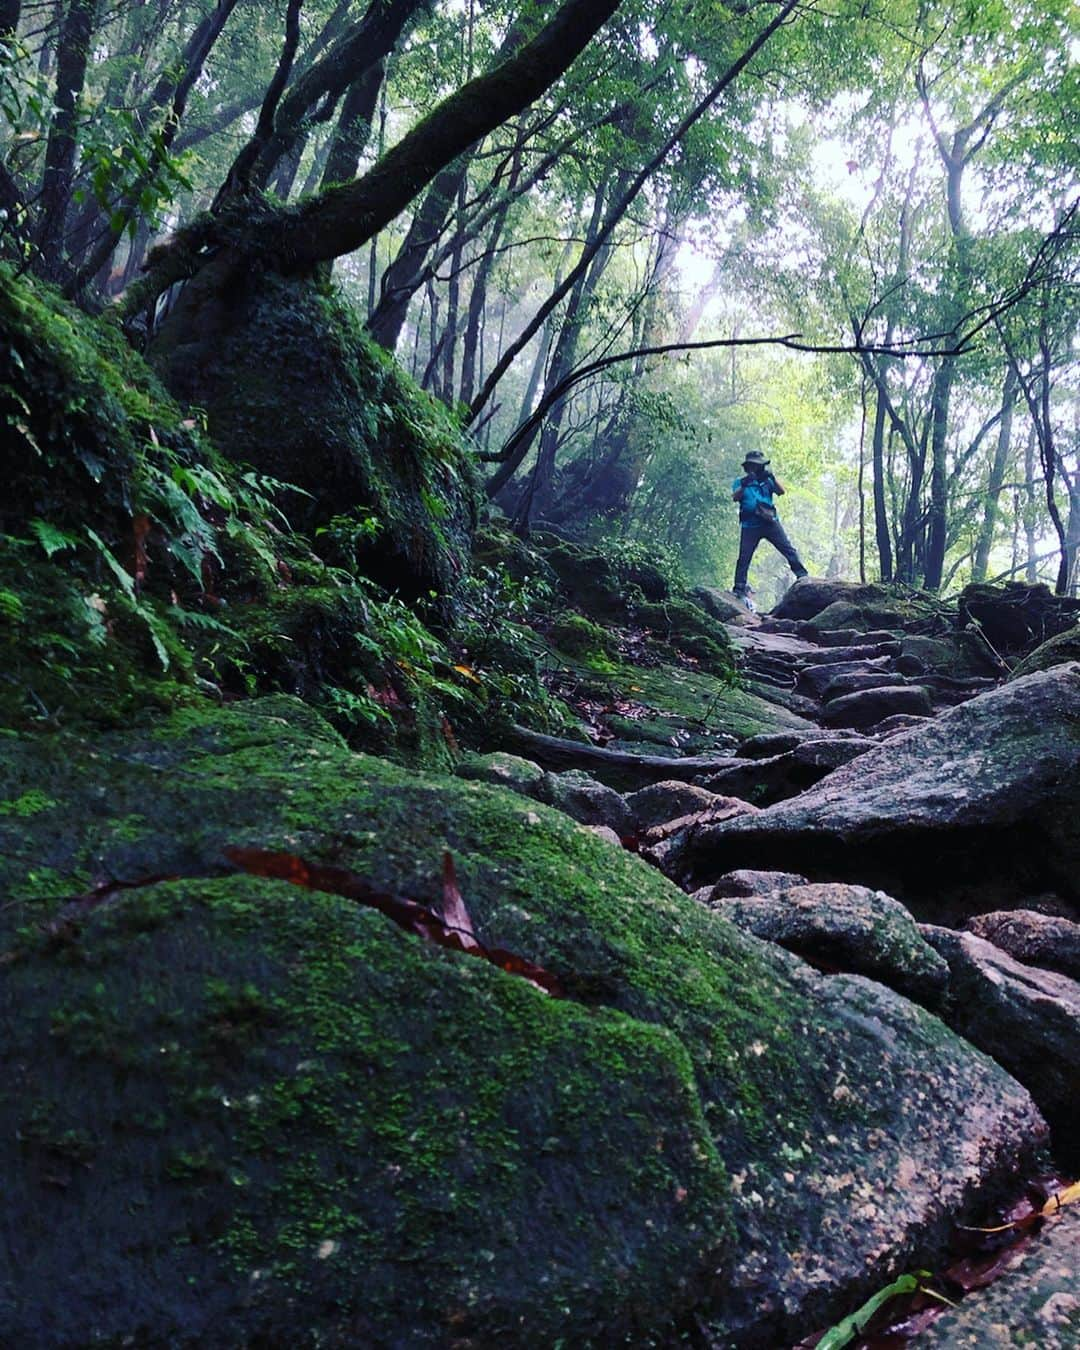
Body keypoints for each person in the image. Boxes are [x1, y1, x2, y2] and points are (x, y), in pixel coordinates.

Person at [731, 451, 808, 603]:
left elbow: (781, 491)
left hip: (770, 522)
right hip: (750, 525)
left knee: (787, 548)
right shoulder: (740, 482)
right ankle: (739, 588)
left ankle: (802, 575)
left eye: (758, 465)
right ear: (748, 467)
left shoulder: (767, 480)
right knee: (744, 557)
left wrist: (772, 477)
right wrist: (746, 483)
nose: (756, 468)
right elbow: (735, 497)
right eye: (753, 465)